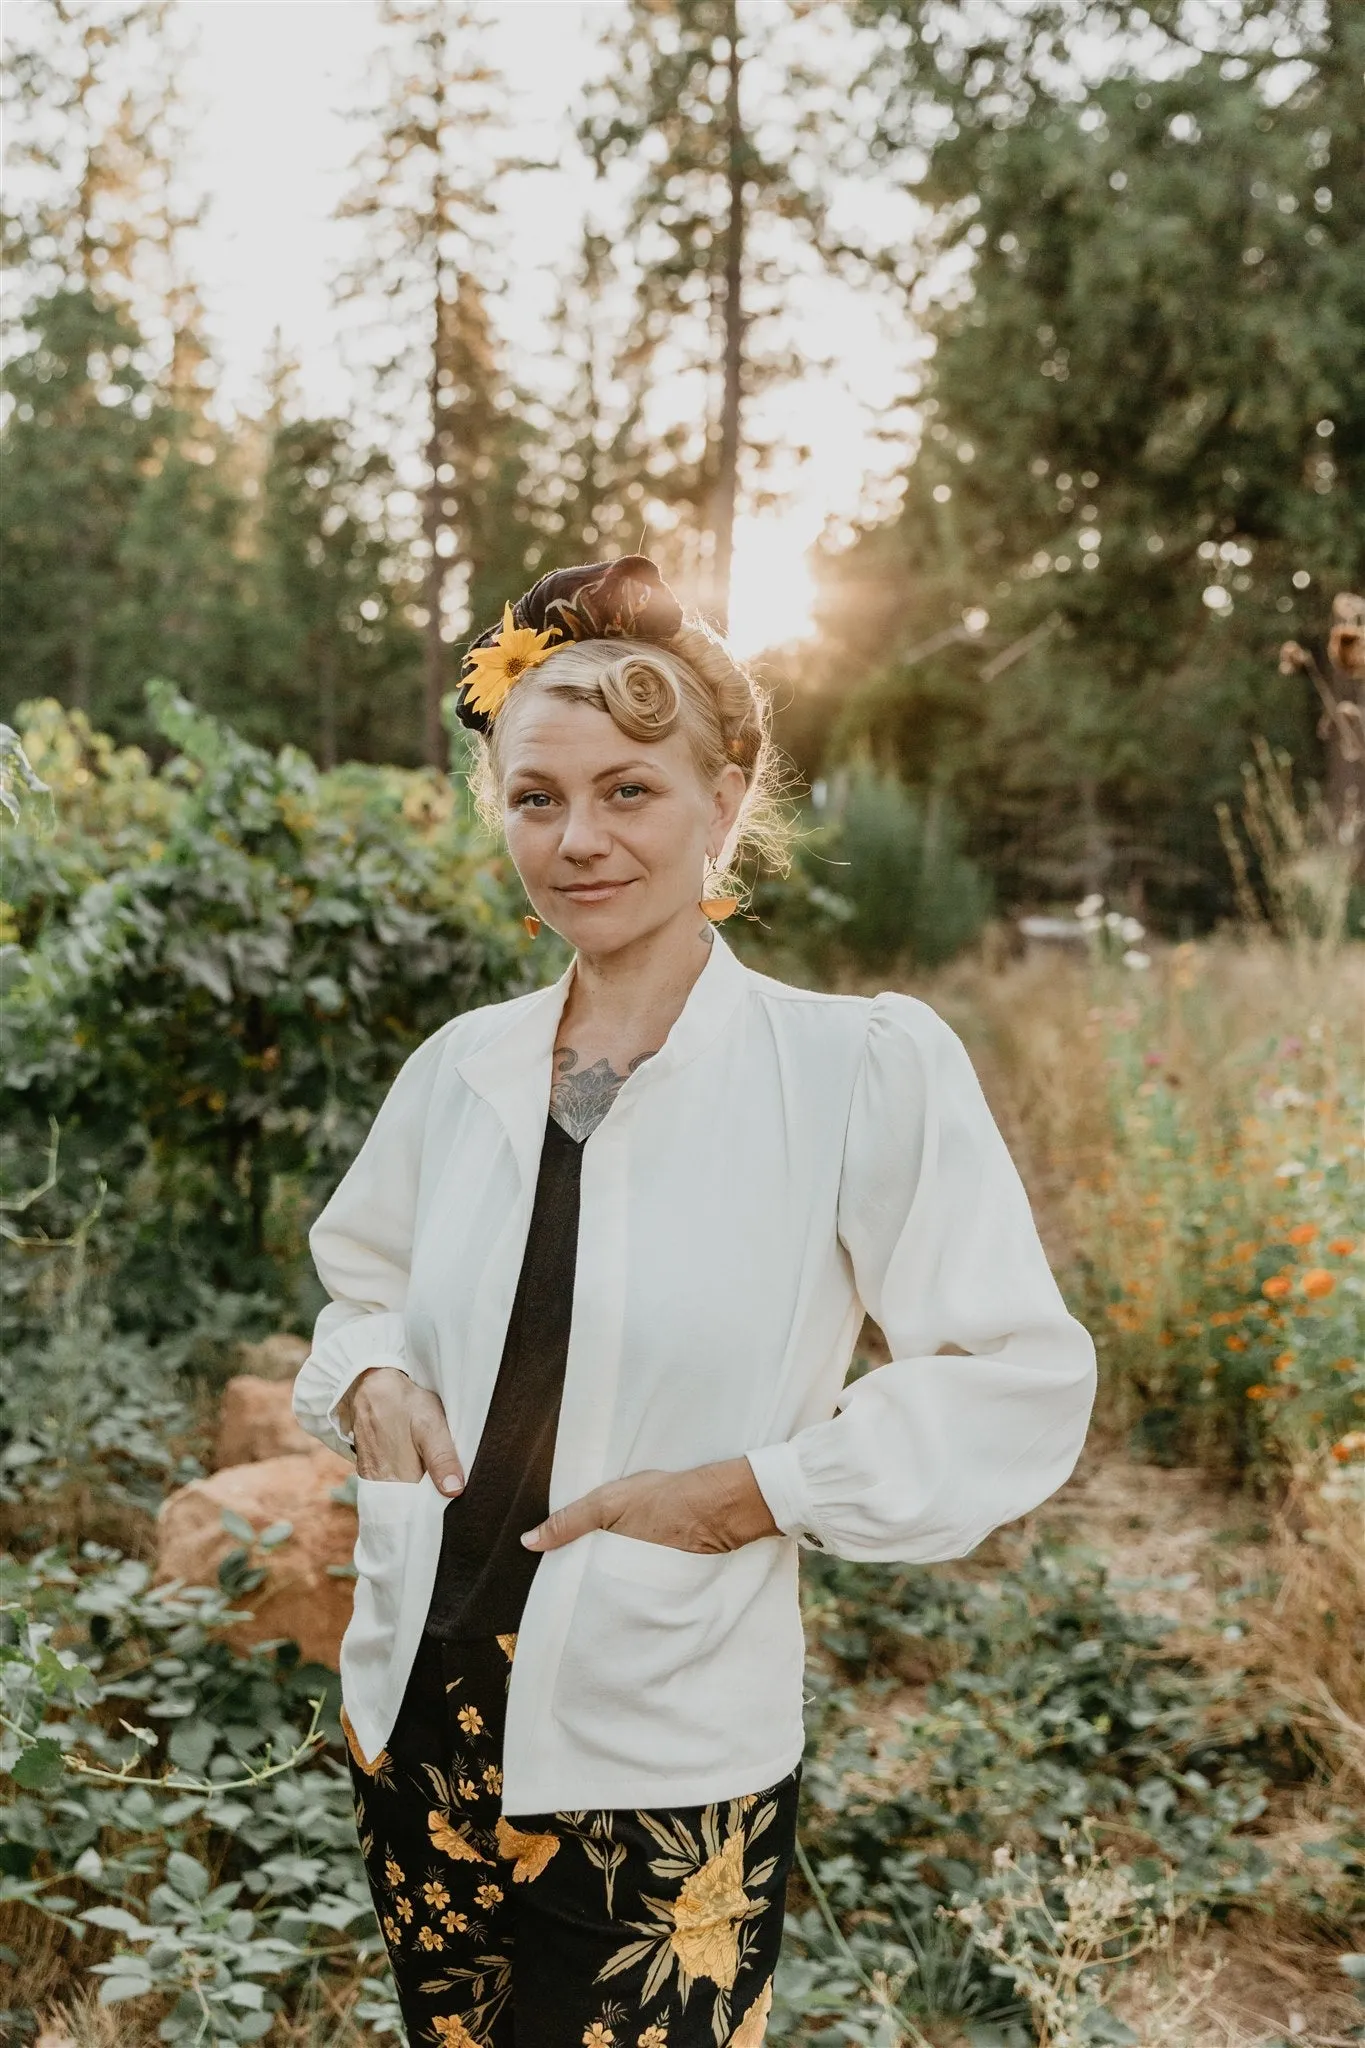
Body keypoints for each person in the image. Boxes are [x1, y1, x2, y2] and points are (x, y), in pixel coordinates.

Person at [292, 554, 1096, 2048]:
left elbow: (1017, 1373)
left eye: (628, 792)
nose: (578, 838)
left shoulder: (858, 1071)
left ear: (725, 800)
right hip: (418, 1716)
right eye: (537, 799)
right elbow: (364, 1285)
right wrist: (367, 1379)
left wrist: (760, 1490)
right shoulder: (459, 1071)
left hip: (654, 1758)